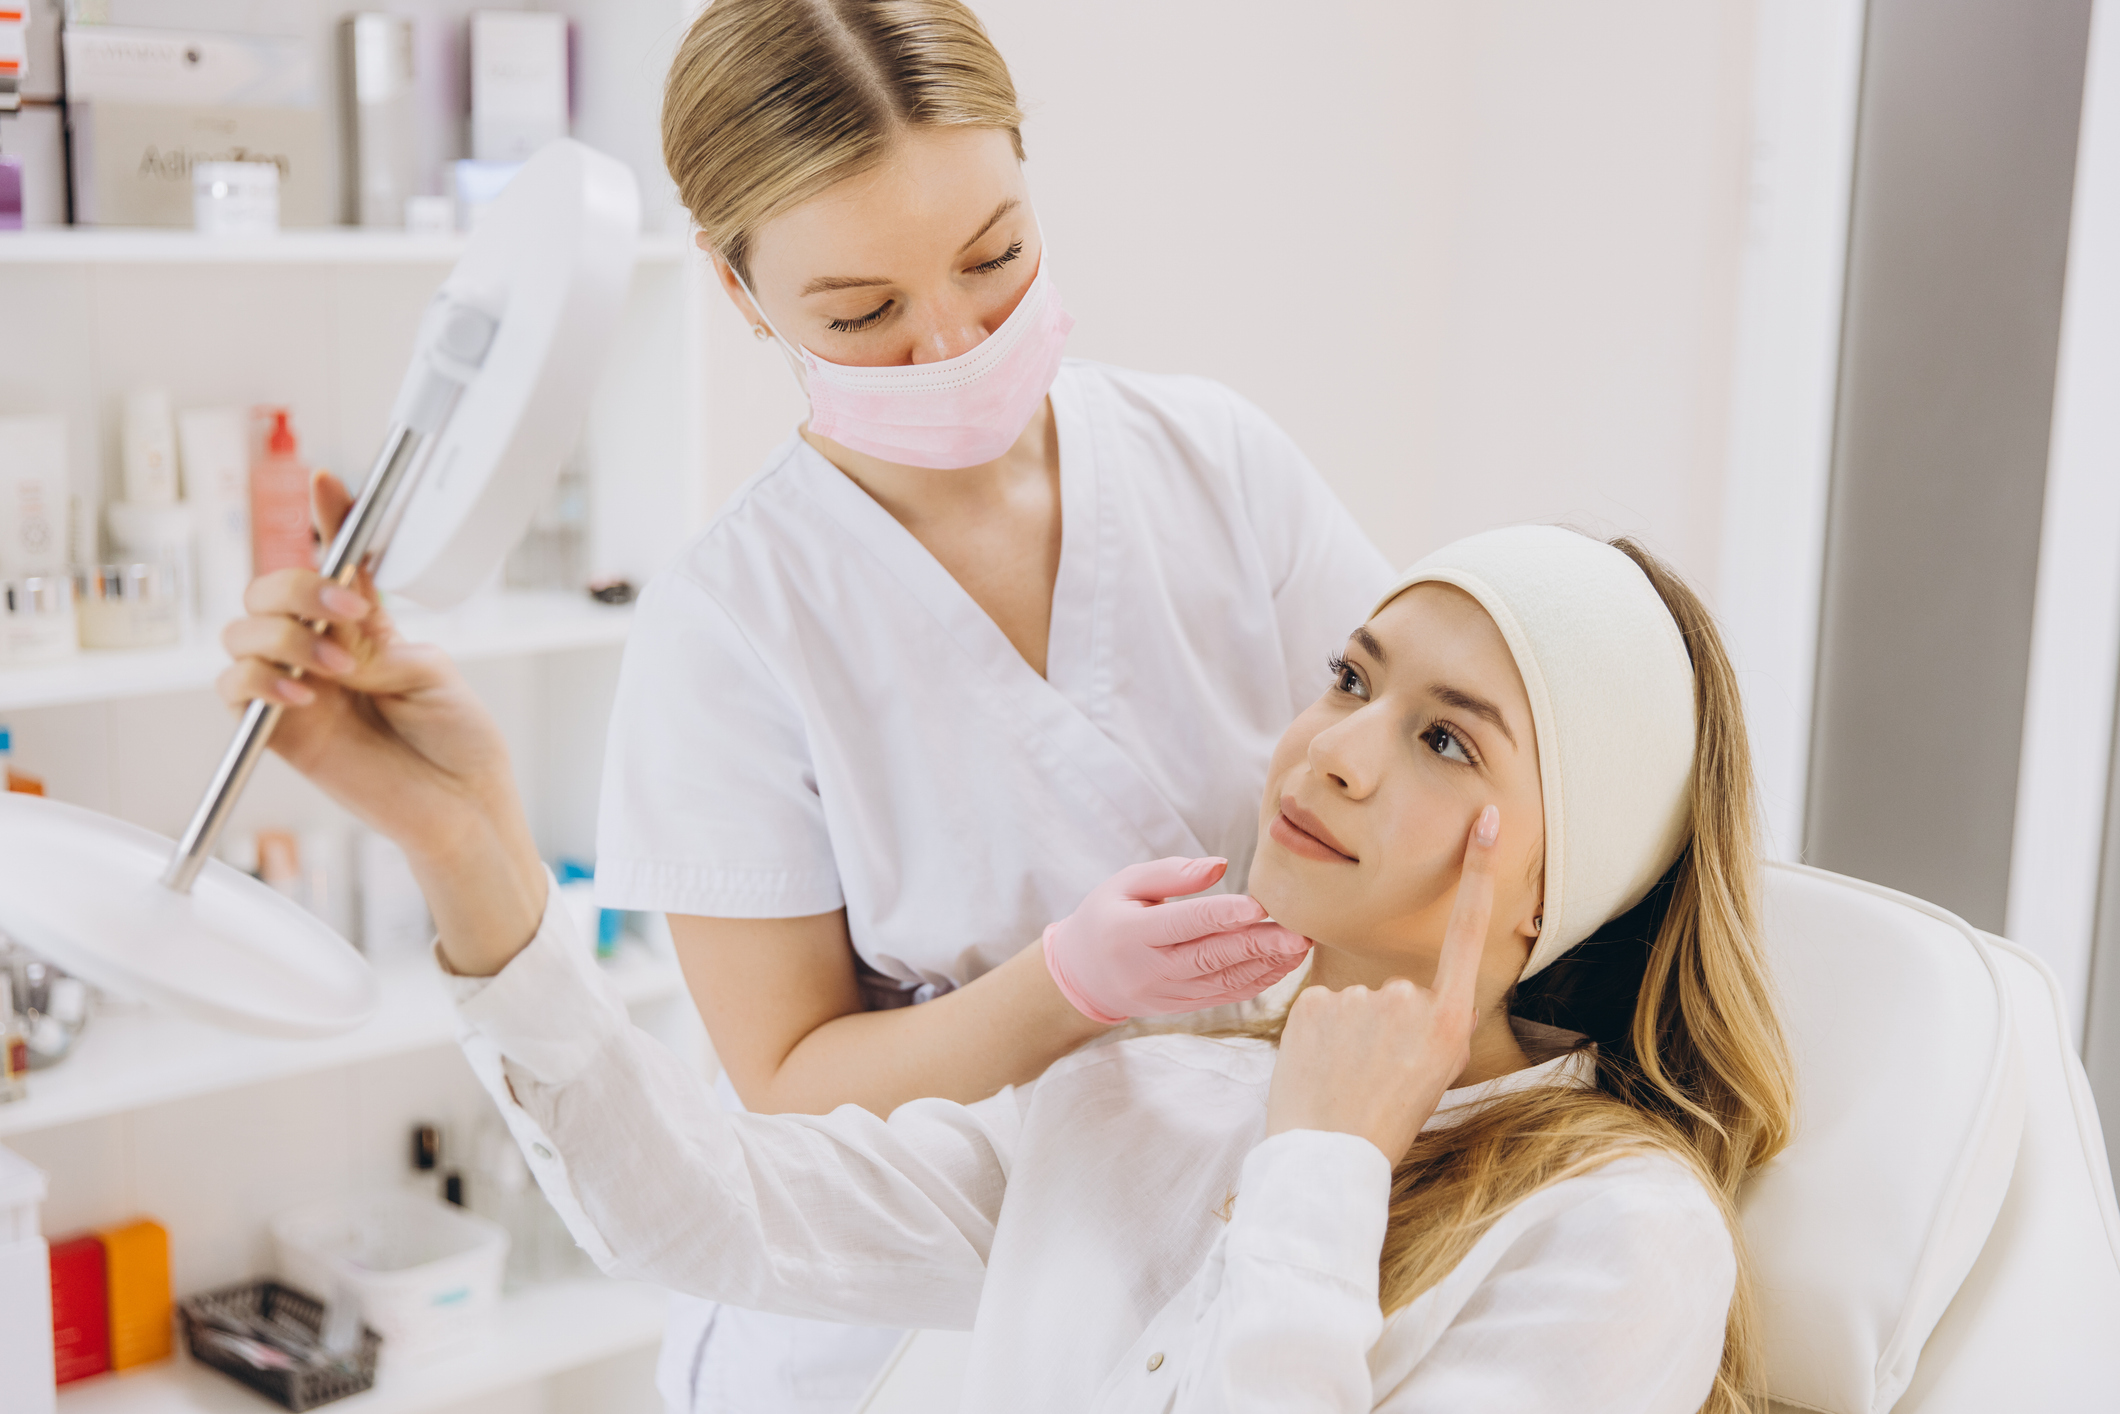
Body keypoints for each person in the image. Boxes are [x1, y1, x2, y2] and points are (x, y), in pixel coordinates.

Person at [218, 523, 1795, 1411]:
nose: (1334, 751)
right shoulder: (1152, 1088)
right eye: (1350, 677)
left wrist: (1323, 1167)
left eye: (1446, 735)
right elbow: (701, 1208)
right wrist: (473, 851)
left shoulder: (1616, 1234)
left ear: (1564, 877)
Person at [627, 0, 1390, 1402]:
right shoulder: (730, 628)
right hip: (906, 1308)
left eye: (998, 260)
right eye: (863, 315)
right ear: (737, 291)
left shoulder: (1215, 464)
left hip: (1233, 1222)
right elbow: (787, 1085)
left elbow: (1407, 764)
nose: (956, 346)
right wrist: (1065, 988)